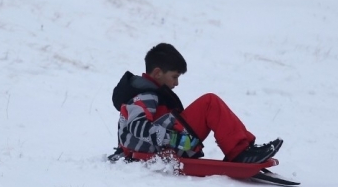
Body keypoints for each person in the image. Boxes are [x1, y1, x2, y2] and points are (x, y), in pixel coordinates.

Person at [110, 43, 282, 164]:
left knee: (210, 102)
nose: (176, 84)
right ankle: (240, 152)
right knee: (209, 103)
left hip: (169, 144)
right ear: (157, 73)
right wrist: (176, 140)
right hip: (159, 149)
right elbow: (137, 126)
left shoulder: (151, 94)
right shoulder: (143, 96)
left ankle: (244, 149)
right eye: (174, 77)